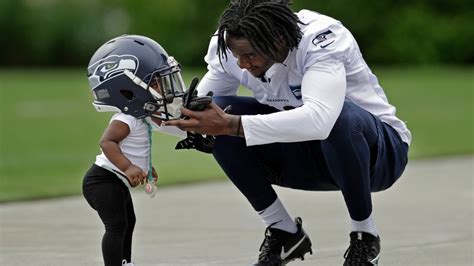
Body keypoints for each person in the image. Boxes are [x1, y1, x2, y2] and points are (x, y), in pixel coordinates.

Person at [164, 1, 411, 265]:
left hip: (378, 156)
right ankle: (284, 231)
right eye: (237, 56)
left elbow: (321, 120)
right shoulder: (230, 46)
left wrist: (232, 125)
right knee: (220, 111)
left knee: (340, 117)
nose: (243, 64)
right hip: (309, 156)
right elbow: (197, 119)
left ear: (278, 39)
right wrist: (148, 108)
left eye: (250, 55)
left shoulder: (320, 38)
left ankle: (365, 236)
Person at [83, 34, 188, 266]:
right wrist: (128, 167)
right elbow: (107, 143)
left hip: (114, 180)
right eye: (155, 82)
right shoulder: (125, 118)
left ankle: (124, 261)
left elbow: (136, 146)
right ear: (127, 89)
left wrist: (145, 167)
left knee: (128, 222)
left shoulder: (141, 116)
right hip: (102, 180)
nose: (163, 87)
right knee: (117, 225)